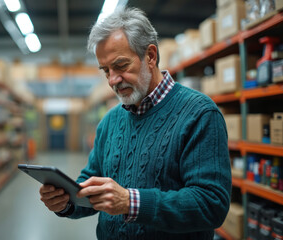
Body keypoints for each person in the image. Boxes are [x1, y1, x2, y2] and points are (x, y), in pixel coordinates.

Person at [39, 7, 231, 240]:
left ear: (150, 56)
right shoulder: (110, 121)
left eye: (120, 66)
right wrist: (66, 201)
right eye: (106, 70)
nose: (112, 80)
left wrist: (131, 202)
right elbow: (91, 184)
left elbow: (211, 204)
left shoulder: (199, 113)